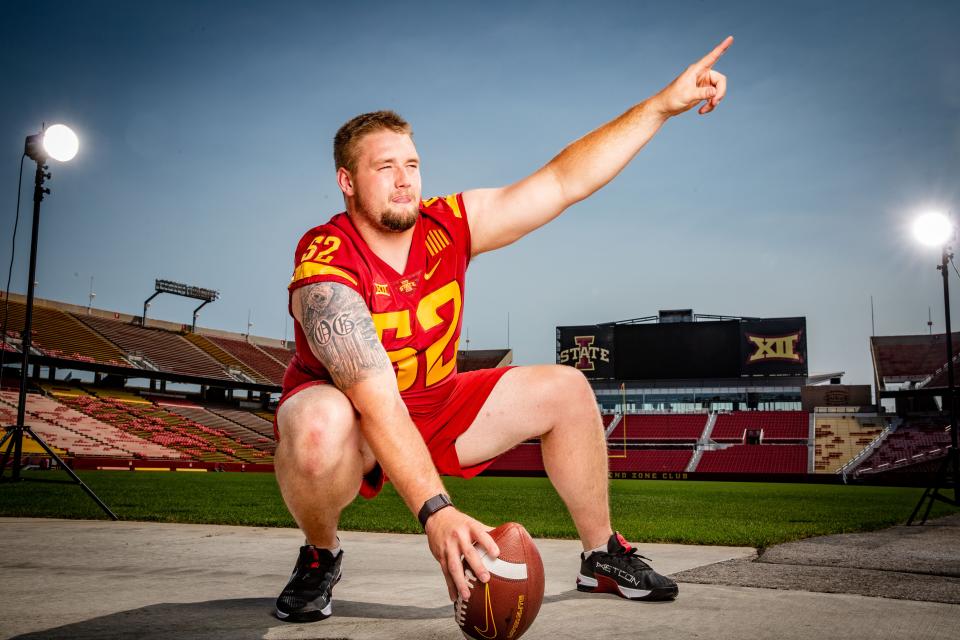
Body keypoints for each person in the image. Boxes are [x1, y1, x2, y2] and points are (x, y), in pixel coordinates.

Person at [273, 36, 733, 622]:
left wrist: (661, 107)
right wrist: (436, 510)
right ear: (346, 181)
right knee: (317, 426)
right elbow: (375, 397)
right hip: (355, 423)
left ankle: (602, 554)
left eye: (411, 164)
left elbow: (563, 181)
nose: (404, 179)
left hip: (435, 404)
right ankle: (320, 555)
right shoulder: (326, 258)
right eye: (385, 168)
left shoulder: (449, 224)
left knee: (567, 389)